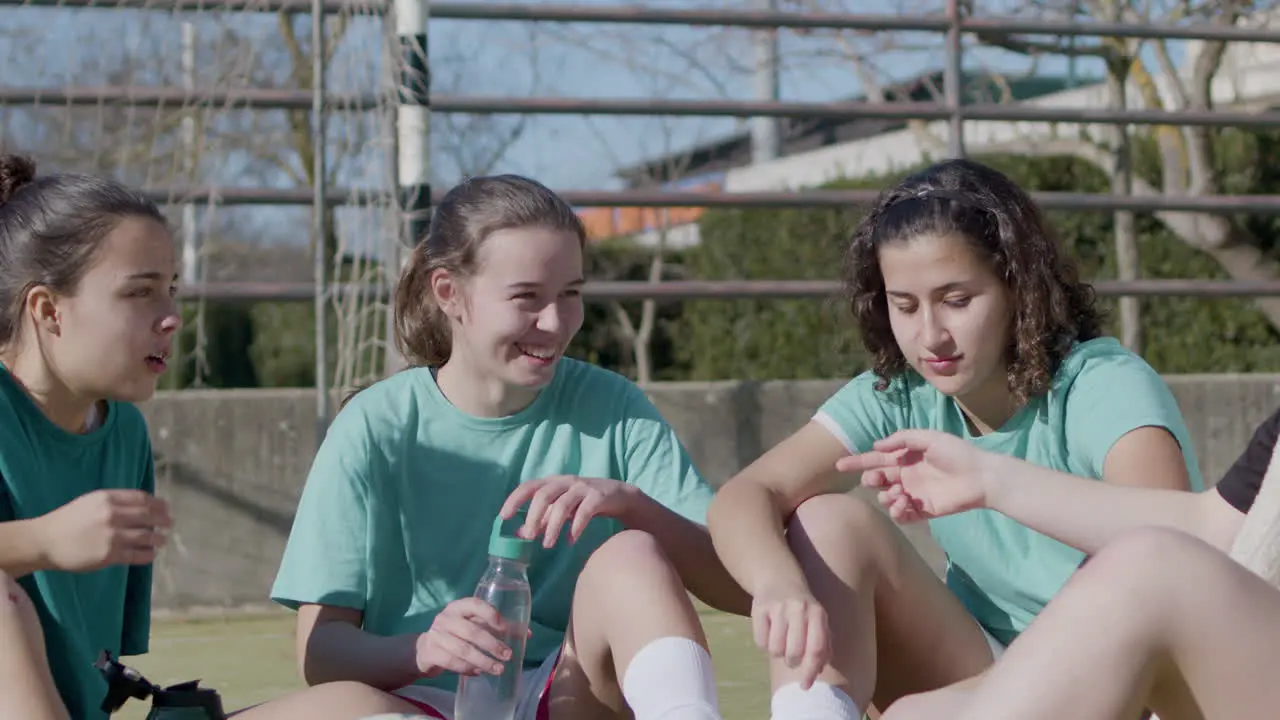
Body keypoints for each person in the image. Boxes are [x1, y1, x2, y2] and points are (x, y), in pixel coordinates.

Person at [705, 158, 1203, 720]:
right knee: (824, 523)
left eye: (958, 300)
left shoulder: (1102, 384)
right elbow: (745, 495)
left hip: (1122, 679)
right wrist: (777, 584)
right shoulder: (899, 394)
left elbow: (1165, 564)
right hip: (985, 666)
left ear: (1019, 287)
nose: (931, 336)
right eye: (905, 305)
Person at [267, 174, 748, 720]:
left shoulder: (612, 406)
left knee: (631, 555)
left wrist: (633, 506)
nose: (556, 322)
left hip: (567, 698)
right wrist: (421, 649)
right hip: (416, 705)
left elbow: (740, 589)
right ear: (449, 293)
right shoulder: (372, 426)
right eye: (527, 298)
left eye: (571, 294)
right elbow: (320, 653)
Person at [845, 404, 1280, 719]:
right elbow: (1212, 526)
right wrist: (989, 479)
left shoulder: (1107, 381)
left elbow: (1166, 574)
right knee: (918, 715)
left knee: (1151, 569)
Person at [0, 153, 179, 720]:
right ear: (48, 310)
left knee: (357, 703)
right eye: (140, 292)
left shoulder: (125, 434)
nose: (172, 315)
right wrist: (44, 542)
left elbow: (98, 668)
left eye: (172, 289)